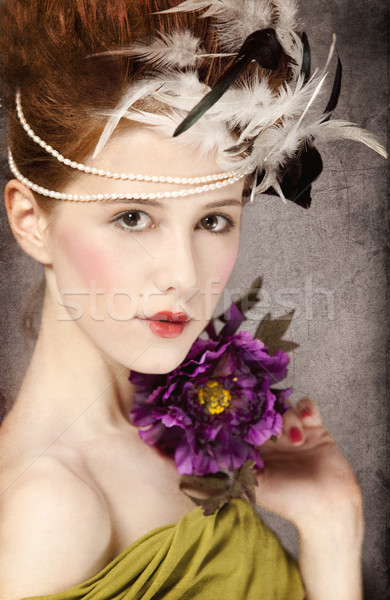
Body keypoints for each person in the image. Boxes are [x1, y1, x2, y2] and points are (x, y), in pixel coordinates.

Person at [0, 1, 386, 599]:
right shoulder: (51, 507)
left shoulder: (188, 434)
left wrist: (332, 523)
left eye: (212, 221)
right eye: (132, 218)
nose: (182, 275)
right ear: (31, 222)